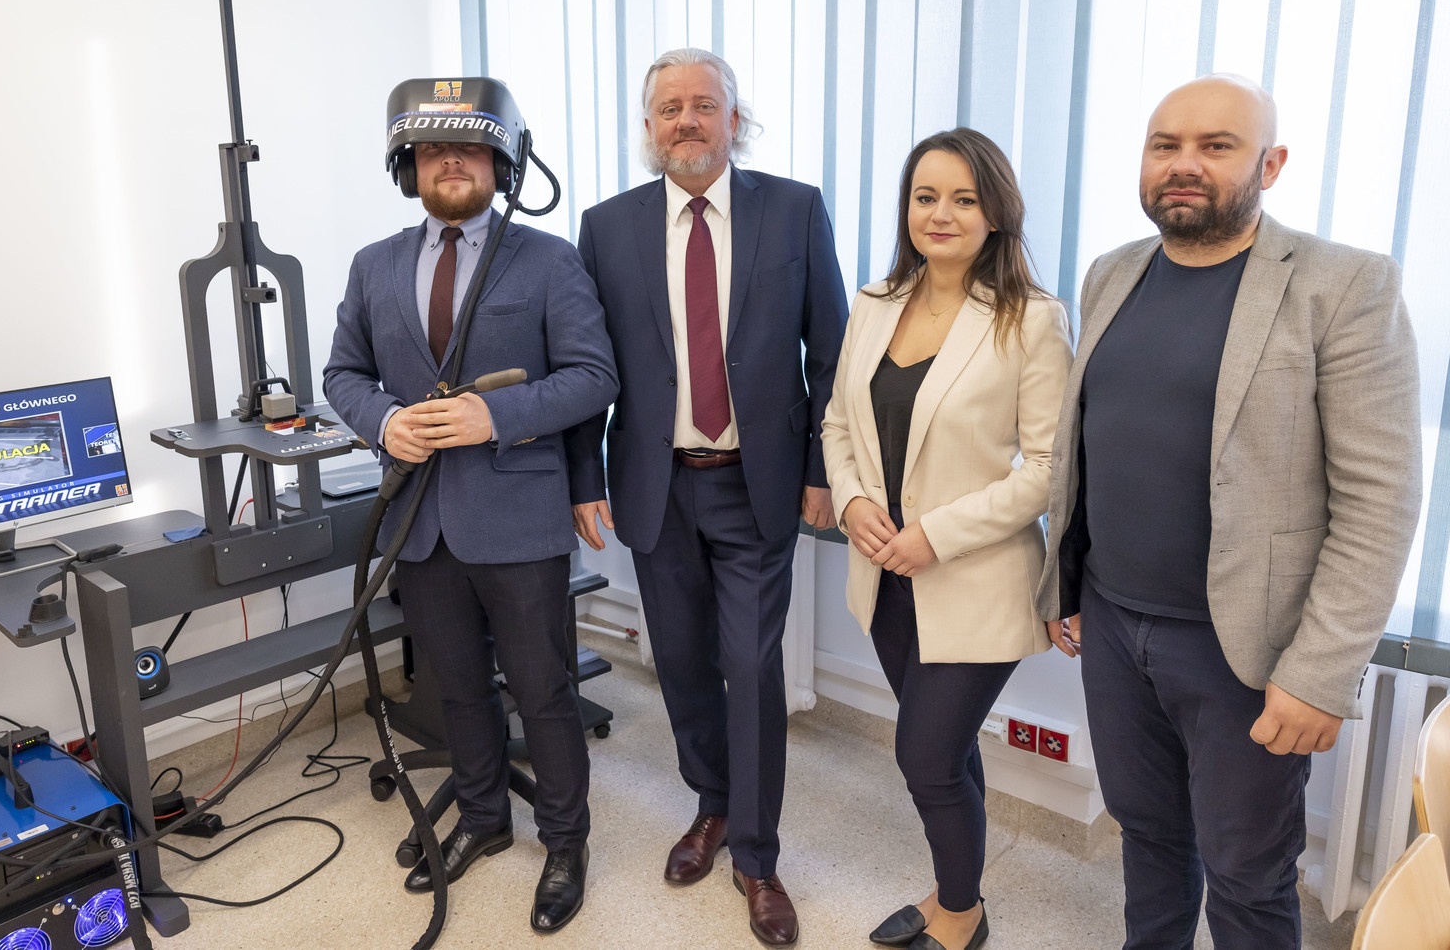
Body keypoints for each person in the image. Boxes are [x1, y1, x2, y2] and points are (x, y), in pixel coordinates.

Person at [1038, 74, 1421, 949]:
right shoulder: (1112, 273)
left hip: (1244, 651)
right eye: (1165, 145)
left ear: (1270, 165)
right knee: (1147, 839)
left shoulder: (1343, 285)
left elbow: (1380, 499)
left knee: (1248, 875)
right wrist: (1066, 582)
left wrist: (1321, 672)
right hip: (1114, 625)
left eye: (1216, 146)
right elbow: (1090, 446)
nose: (1184, 164)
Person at [566, 47, 847, 947]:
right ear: (649, 127)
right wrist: (584, 478)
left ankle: (757, 858)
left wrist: (822, 471)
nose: (686, 120)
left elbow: (831, 351)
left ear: (735, 119)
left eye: (703, 104)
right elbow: (585, 367)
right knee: (682, 663)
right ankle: (713, 804)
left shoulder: (794, 210)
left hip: (756, 484)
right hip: (656, 484)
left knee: (752, 669)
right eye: (668, 108)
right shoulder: (605, 228)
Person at [324, 77, 617, 935]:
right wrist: (385, 422)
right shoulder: (373, 265)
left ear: (501, 163)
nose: (450, 161)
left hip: (518, 520)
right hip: (420, 523)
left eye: (470, 147)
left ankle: (565, 844)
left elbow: (594, 376)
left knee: (543, 691)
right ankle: (485, 819)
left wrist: (498, 415)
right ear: (407, 166)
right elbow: (343, 373)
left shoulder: (548, 259)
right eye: (431, 150)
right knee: (456, 689)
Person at [820, 128, 1071, 950]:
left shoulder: (1032, 320)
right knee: (949, 753)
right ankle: (953, 889)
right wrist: (853, 502)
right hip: (885, 574)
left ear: (996, 212)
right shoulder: (875, 303)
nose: (941, 213)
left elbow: (1048, 469)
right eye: (925, 196)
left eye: (964, 199)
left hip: (976, 579)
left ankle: (962, 913)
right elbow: (838, 423)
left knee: (925, 758)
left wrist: (936, 534)